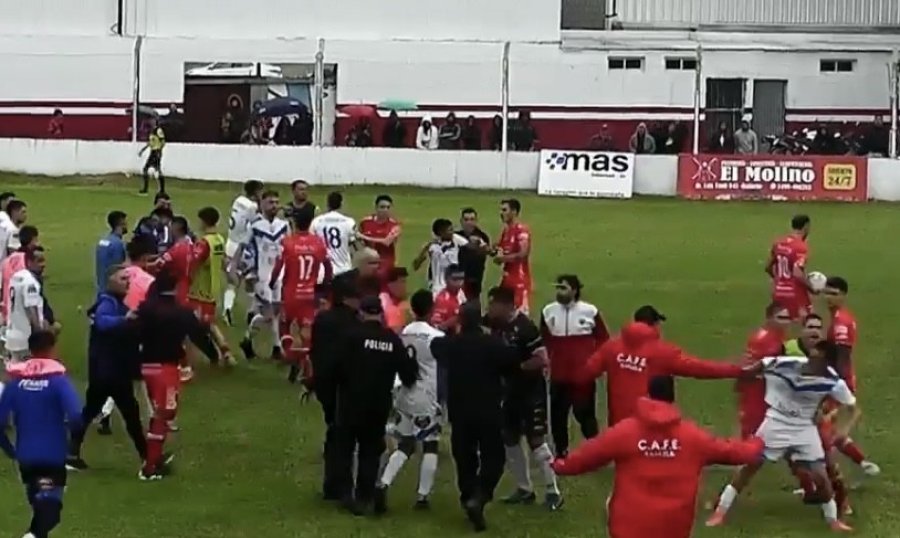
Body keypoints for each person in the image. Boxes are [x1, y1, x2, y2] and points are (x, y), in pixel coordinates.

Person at [551, 376, 765, 538]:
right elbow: (731, 451)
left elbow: (589, 455)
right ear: (672, 398)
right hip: (674, 527)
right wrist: (757, 442)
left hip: (629, 526)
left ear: (648, 395)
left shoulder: (625, 432)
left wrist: (561, 465)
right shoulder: (692, 437)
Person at [707, 343, 859, 532]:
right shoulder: (788, 364)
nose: (809, 362)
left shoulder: (833, 381)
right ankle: (720, 512)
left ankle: (833, 521)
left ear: (826, 363)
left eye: (816, 359)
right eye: (811, 356)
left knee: (820, 476)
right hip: (776, 421)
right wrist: (742, 372)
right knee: (750, 466)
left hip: (804, 427)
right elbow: (763, 364)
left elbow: (852, 408)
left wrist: (843, 430)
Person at [430, 301, 521, 531]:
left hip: (460, 411)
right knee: (495, 457)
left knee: (464, 457)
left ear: (460, 320)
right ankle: (480, 496)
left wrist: (448, 328)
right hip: (488, 410)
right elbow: (512, 361)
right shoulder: (492, 344)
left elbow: (435, 346)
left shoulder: (451, 345)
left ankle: (468, 495)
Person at [577, 305, 744, 426]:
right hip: (649, 419)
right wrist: (736, 370)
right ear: (654, 325)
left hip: (619, 422)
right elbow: (699, 368)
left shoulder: (612, 347)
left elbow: (586, 372)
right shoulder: (663, 352)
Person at [332, 296, 418, 515]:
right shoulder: (391, 339)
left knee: (345, 448)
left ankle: (344, 493)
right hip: (378, 404)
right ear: (380, 314)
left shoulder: (351, 336)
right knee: (370, 451)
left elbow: (336, 367)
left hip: (351, 401)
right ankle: (365, 495)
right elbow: (408, 374)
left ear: (361, 313)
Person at [484, 286, 562, 510]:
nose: (489, 308)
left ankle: (553, 491)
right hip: (509, 393)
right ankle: (524, 488)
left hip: (531, 393)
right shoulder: (496, 324)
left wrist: (517, 367)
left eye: (493, 304)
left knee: (536, 440)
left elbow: (541, 359)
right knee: (510, 438)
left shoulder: (525, 328)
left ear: (507, 305)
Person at [0, 330, 82, 538]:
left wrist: (10, 450)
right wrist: (72, 441)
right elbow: (75, 416)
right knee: (50, 513)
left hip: (26, 458)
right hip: (52, 456)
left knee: (40, 510)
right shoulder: (58, 381)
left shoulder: (15, 383)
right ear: (52, 349)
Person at [66, 266, 147, 472]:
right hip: (111, 372)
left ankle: (71, 453)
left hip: (105, 371)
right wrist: (125, 320)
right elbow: (103, 323)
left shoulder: (116, 303)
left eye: (128, 279)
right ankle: (148, 458)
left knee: (90, 412)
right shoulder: (107, 303)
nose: (127, 282)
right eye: (122, 278)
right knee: (131, 415)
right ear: (110, 281)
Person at [135, 271, 211, 480]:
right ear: (175, 288)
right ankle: (150, 467)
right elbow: (199, 332)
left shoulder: (145, 308)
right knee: (165, 414)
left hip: (146, 366)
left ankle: (155, 457)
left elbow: (133, 331)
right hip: (166, 369)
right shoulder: (181, 312)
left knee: (158, 414)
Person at [376, 290, 444, 511]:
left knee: (405, 444)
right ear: (431, 309)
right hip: (426, 397)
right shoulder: (436, 337)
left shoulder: (404, 332)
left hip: (405, 394)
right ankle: (423, 496)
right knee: (430, 444)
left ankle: (384, 483)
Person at [540, 274, 608, 457]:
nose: (559, 292)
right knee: (558, 416)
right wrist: (546, 360)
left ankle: (595, 451)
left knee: (585, 414)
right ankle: (561, 452)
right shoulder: (548, 311)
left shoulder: (589, 311)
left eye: (563, 288)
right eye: (558, 288)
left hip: (582, 375)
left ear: (575, 290)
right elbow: (544, 339)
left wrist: (596, 363)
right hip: (558, 374)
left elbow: (603, 339)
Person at [309, 273, 361, 500]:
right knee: (345, 437)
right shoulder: (354, 322)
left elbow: (315, 352)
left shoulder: (322, 319)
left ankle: (331, 483)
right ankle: (342, 486)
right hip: (346, 385)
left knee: (333, 431)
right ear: (347, 298)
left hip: (325, 384)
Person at [823, 276, 879, 476]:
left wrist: (836, 385)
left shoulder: (840, 322)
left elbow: (843, 356)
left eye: (834, 294)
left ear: (843, 296)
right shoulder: (838, 317)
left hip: (838, 382)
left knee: (824, 432)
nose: (829, 297)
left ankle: (824, 482)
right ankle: (863, 463)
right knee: (829, 431)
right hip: (836, 381)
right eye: (827, 293)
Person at [271, 204, 331, 384]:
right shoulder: (318, 242)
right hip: (309, 293)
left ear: (295, 223)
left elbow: (278, 267)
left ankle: (293, 357)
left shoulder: (287, 242)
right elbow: (328, 266)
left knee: (285, 327)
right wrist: (326, 284)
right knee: (307, 331)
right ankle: (306, 365)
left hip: (291, 293)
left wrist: (272, 282)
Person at [241, 190, 289, 361]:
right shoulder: (255, 227)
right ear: (262, 204)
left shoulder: (284, 225)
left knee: (275, 313)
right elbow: (245, 249)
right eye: (270, 202)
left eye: (276, 202)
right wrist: (244, 271)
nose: (274, 206)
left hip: (279, 275)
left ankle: (273, 346)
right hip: (262, 276)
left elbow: (288, 248)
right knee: (269, 314)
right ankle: (253, 340)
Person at [188, 207, 233, 365]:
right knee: (209, 323)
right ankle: (225, 352)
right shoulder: (219, 239)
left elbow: (193, 262)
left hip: (199, 289)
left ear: (203, 221)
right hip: (213, 288)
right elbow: (224, 261)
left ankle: (188, 361)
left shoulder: (204, 242)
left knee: (193, 324)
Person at [223, 179, 263, 325]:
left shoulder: (238, 200)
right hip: (243, 248)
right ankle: (252, 311)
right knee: (252, 280)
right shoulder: (253, 207)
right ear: (256, 192)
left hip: (230, 243)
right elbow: (259, 224)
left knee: (232, 282)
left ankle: (227, 308)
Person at [767, 214, 813, 321]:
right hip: (795, 294)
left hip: (778, 292)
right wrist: (811, 287)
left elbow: (768, 267)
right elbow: (797, 273)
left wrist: (778, 281)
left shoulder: (778, 243)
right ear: (806, 226)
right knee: (805, 323)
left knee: (781, 323)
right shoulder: (801, 247)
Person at [6, 246, 47, 362]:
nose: (43, 265)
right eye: (39, 261)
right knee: (28, 370)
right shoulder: (30, 283)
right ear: (29, 262)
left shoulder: (17, 276)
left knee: (14, 368)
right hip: (26, 338)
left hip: (12, 334)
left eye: (44, 260)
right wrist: (39, 334)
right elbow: (31, 309)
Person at [493, 199, 532, 314]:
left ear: (514, 211)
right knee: (504, 313)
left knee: (519, 315)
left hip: (519, 280)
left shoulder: (521, 230)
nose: (501, 213)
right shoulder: (506, 231)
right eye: (501, 210)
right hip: (507, 279)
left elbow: (523, 254)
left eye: (504, 210)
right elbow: (500, 251)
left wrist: (503, 258)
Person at [412, 218, 468, 296]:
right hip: (437, 288)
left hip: (454, 286)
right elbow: (415, 266)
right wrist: (424, 250)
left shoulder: (456, 242)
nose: (452, 232)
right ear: (441, 232)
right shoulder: (432, 247)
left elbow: (469, 245)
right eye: (449, 230)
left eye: (452, 229)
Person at [311, 192, 358, 276]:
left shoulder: (317, 221)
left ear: (327, 204)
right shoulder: (349, 221)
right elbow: (354, 245)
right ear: (341, 204)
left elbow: (311, 244)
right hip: (344, 269)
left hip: (324, 271)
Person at [0, 225, 39, 325]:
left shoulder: (7, 261)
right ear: (33, 240)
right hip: (23, 315)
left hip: (7, 311)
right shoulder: (29, 261)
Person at [358, 194, 401, 283]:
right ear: (376, 207)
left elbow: (387, 242)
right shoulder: (365, 222)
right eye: (382, 207)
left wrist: (364, 237)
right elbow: (358, 240)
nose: (385, 210)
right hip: (367, 263)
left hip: (385, 264)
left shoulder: (394, 225)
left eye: (388, 207)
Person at [456, 208, 490, 300]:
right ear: (461, 221)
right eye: (466, 220)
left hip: (474, 281)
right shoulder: (456, 237)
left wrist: (479, 244)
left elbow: (484, 253)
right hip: (458, 281)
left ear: (476, 221)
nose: (469, 223)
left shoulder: (482, 237)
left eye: (472, 219)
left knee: (473, 305)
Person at [95, 211, 128, 293]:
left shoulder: (102, 241)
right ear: (121, 224)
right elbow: (118, 267)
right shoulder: (118, 244)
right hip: (112, 290)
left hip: (101, 288)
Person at [138, 117, 166, 194]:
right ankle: (146, 188)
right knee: (147, 169)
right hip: (152, 152)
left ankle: (161, 190)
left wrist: (160, 150)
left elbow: (163, 141)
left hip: (156, 152)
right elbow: (150, 142)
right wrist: (143, 150)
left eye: (152, 120)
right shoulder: (152, 131)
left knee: (156, 170)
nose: (151, 122)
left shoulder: (158, 130)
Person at [378, 267, 409, 333]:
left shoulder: (399, 301)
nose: (405, 286)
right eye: (402, 282)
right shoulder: (384, 301)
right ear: (391, 284)